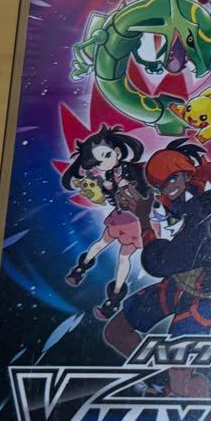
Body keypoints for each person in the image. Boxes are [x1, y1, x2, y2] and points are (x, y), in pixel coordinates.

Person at [103, 140, 211, 396]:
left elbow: (159, 262)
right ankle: (163, 382)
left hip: (199, 301)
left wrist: (143, 220)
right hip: (173, 287)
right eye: (162, 184)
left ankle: (192, 397)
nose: (169, 188)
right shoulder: (190, 203)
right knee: (116, 332)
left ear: (187, 174)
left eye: (174, 179)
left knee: (181, 380)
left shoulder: (205, 211)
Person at [60, 125, 151, 320]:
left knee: (123, 258)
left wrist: (131, 186)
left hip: (136, 221)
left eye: (106, 156)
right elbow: (113, 196)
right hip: (120, 217)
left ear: (117, 151)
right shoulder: (109, 174)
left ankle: (114, 299)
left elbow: (147, 191)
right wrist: (108, 189)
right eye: (98, 163)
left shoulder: (133, 169)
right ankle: (80, 269)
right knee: (101, 243)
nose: (103, 164)